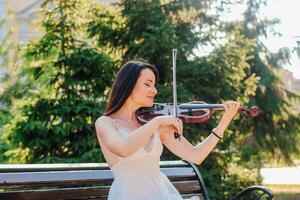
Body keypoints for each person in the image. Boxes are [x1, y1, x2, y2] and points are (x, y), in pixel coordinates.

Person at [94, 59, 240, 200]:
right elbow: (123, 149)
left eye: (154, 85)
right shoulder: (106, 123)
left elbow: (196, 155)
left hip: (162, 194)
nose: (155, 90)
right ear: (129, 85)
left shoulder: (154, 124)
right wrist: (157, 123)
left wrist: (225, 121)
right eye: (148, 84)